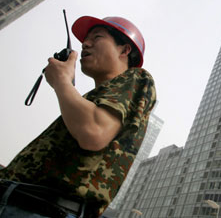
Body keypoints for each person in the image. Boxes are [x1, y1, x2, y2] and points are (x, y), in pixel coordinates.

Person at [0, 16, 156, 217]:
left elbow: (93, 132)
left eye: (97, 37)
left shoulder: (138, 77)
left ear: (124, 50)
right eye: (84, 40)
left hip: (40, 208)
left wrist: (62, 82)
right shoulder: (89, 101)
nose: (85, 44)